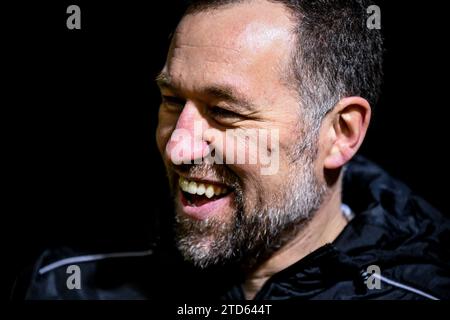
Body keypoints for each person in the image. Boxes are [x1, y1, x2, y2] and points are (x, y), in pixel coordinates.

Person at [15, 0, 450, 300]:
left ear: (340, 132)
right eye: (171, 101)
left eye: (223, 112)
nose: (179, 147)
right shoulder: (68, 281)